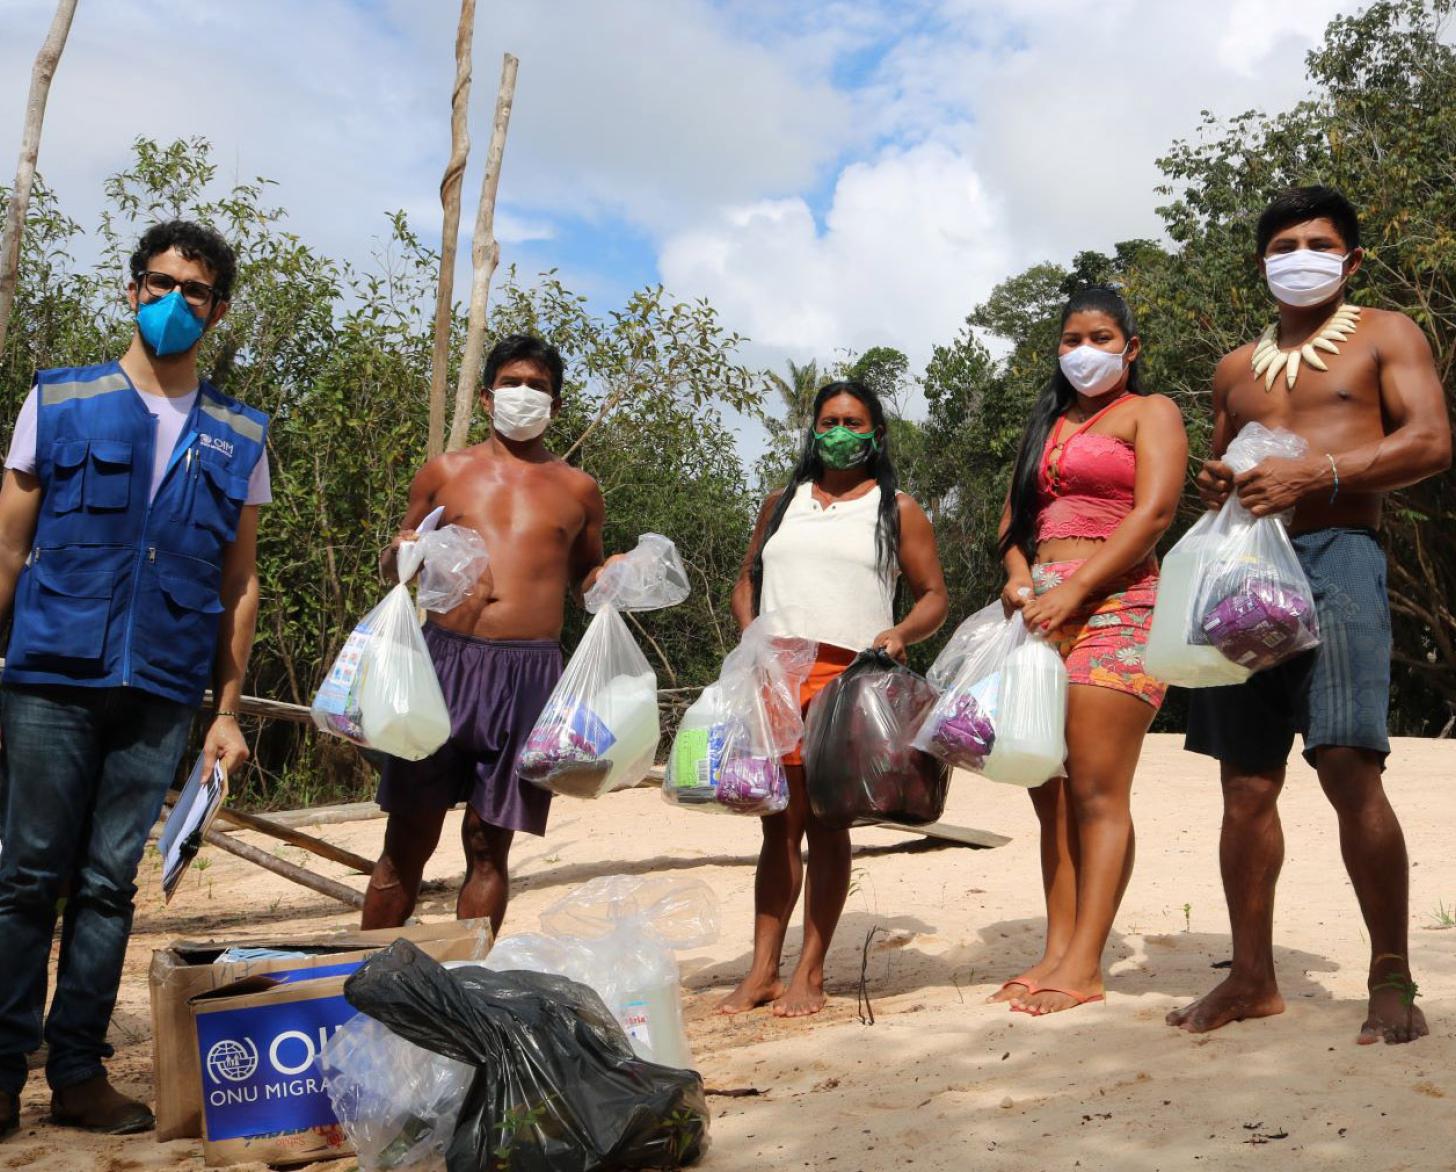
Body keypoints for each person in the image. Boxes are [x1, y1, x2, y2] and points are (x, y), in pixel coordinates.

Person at [0, 221, 269, 1137]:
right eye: (159, 283)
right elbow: (6, 548)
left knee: (110, 884)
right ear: (130, 290)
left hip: (160, 685)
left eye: (194, 291)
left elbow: (240, 583)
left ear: (218, 310)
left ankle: (77, 1076)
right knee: (27, 875)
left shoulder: (239, 433)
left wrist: (226, 711)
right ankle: (1, 1076)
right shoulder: (60, 400)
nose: (174, 303)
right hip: (50, 675)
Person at [1169, 186, 1449, 1045]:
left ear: (1350, 259)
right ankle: (1252, 979)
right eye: (1283, 243)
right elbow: (1218, 467)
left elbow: (1433, 441)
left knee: (1345, 763)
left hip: (1340, 559)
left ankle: (1392, 977)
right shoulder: (1233, 368)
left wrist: (1319, 477)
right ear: (1263, 264)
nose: (1301, 255)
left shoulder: (1385, 333)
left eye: (1318, 242)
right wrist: (1216, 481)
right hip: (1243, 574)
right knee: (1245, 781)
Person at [361, 334, 610, 938]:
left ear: (555, 403)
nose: (524, 395)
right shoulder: (445, 472)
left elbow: (588, 577)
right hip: (444, 661)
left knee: (488, 841)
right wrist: (403, 554)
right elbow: (395, 556)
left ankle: (467, 989)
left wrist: (620, 576)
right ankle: (367, 979)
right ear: (486, 395)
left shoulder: (578, 489)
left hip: (530, 673)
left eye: (539, 387)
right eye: (513, 383)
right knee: (408, 836)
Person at [717, 379, 948, 1018]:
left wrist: (901, 633)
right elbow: (748, 580)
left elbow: (933, 594)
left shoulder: (897, 509)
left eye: (852, 421)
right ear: (812, 429)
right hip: (776, 673)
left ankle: (810, 974)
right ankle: (763, 970)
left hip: (849, 680)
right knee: (776, 828)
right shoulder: (780, 503)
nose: (839, 432)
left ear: (874, 433)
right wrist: (751, 633)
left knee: (828, 824)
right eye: (828, 421)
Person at [993, 286, 1187, 1016]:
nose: (1084, 351)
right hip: (1041, 608)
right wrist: (1019, 580)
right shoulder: (1044, 423)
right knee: (1051, 794)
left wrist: (1077, 593)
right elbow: (1014, 519)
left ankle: (1086, 965)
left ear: (1130, 348)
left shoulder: (1150, 411)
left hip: (1120, 605)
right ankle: (1055, 950)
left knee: (1099, 793)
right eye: (1072, 338)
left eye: (1101, 337)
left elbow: (1155, 513)